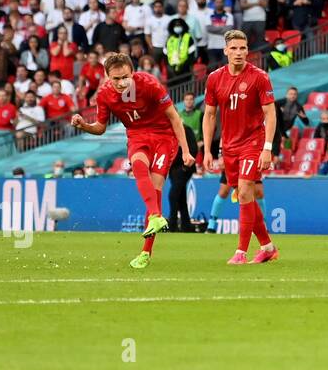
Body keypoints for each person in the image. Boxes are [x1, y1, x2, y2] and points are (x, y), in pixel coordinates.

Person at [70, 53, 195, 269]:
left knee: (155, 191)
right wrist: (84, 126)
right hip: (137, 135)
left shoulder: (149, 84)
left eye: (125, 77)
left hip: (164, 136)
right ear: (107, 77)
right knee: (138, 164)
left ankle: (146, 252)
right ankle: (156, 217)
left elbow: (175, 117)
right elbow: (100, 128)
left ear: (133, 72)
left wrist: (185, 151)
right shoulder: (104, 95)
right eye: (115, 79)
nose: (121, 83)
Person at [201, 30, 279, 265]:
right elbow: (209, 115)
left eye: (243, 48)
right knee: (244, 198)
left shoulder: (259, 77)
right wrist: (207, 150)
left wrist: (267, 147)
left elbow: (270, 113)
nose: (238, 53)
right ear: (225, 50)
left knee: (245, 191)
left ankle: (240, 253)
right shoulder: (214, 78)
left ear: (248, 51)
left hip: (253, 143)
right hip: (230, 147)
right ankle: (267, 247)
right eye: (234, 48)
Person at [166, 122, 201, 234]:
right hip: (173, 170)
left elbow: (194, 149)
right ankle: (186, 226)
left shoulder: (186, 129)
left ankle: (172, 225)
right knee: (180, 198)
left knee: (173, 195)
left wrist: (185, 168)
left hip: (183, 168)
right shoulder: (167, 131)